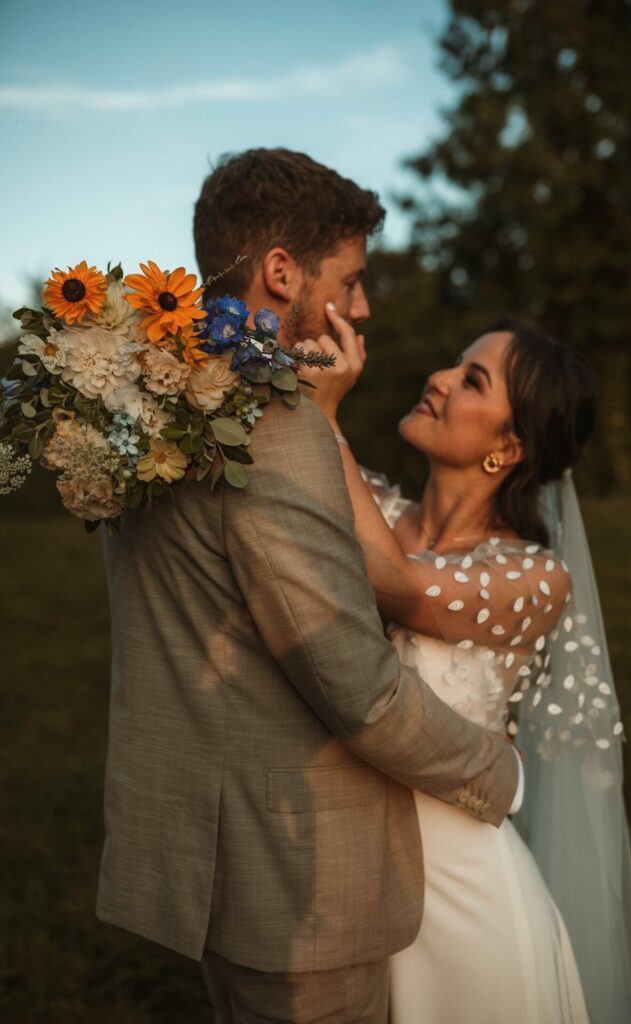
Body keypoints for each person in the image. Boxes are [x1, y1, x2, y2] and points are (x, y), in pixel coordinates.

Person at [96, 148, 522, 1024]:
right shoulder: (275, 428)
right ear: (281, 273)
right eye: (353, 280)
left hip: (210, 852)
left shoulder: (149, 406)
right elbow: (355, 688)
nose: (363, 307)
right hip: (298, 885)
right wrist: (500, 776)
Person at [301, 311, 631, 1022]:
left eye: (471, 381)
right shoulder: (370, 500)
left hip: (463, 890)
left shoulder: (534, 576)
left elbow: (397, 585)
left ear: (510, 445)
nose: (436, 379)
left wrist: (324, 419)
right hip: (344, 868)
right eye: (451, 365)